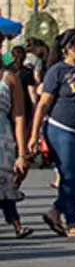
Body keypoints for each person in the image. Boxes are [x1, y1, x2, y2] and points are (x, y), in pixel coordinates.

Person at [28, 29, 75, 238]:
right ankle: (71, 222)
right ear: (70, 47)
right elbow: (43, 104)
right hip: (61, 128)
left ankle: (55, 211)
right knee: (69, 175)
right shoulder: (57, 71)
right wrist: (34, 135)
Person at [0, 59, 30, 238]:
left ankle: (17, 224)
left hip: (3, 141)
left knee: (5, 184)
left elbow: (19, 116)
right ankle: (17, 225)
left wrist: (22, 153)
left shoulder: (9, 78)